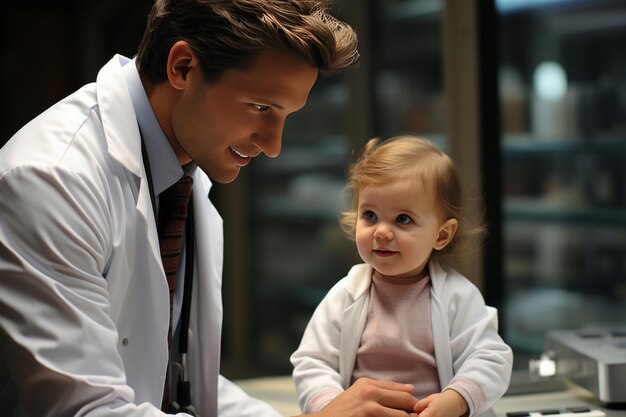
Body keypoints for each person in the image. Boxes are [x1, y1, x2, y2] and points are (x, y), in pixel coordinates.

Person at [0, 1, 422, 416]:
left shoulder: (180, 165)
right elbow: (88, 409)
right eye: (260, 108)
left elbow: (169, 375)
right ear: (182, 67)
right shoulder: (51, 179)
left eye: (285, 115)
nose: (273, 146)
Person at [291, 136, 514, 417]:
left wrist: (456, 400)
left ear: (442, 234)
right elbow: (313, 361)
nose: (381, 232)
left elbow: (490, 358)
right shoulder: (345, 294)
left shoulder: (458, 296)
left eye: (403, 219)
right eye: (370, 215)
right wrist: (331, 406)